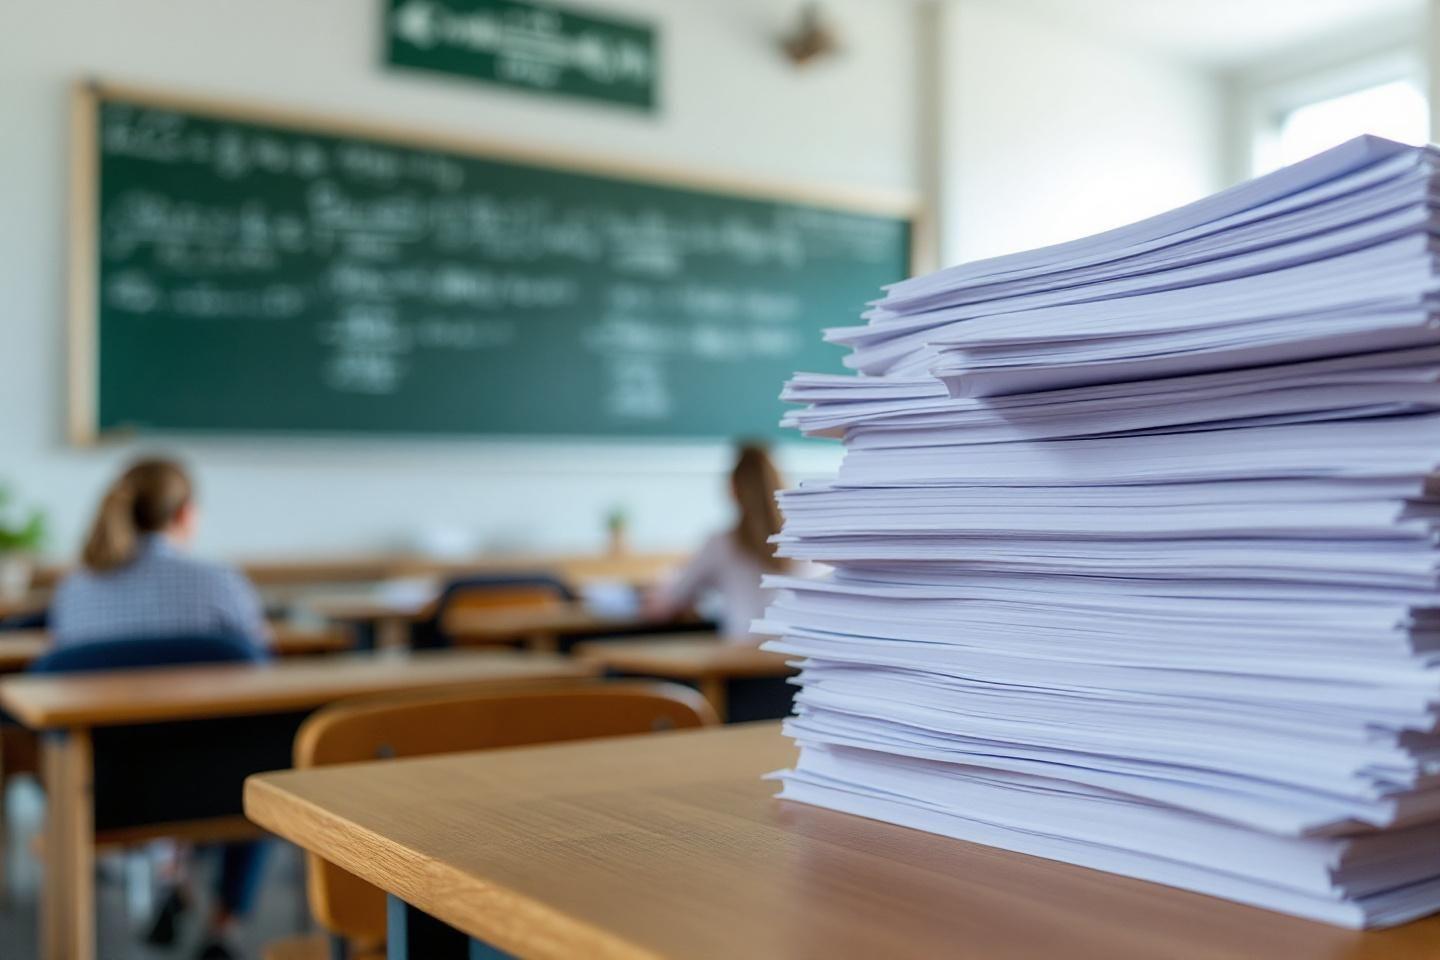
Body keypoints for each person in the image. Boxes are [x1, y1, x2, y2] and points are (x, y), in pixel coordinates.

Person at [50, 457, 267, 960]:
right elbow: (265, 668)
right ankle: (224, 921)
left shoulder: (76, 589)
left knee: (163, 742)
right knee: (255, 746)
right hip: (221, 788)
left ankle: (176, 879)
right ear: (186, 514)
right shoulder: (218, 581)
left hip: (103, 788)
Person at [648, 442, 793, 643]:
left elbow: (664, 607)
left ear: (733, 489)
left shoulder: (722, 543)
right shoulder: (801, 539)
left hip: (741, 663)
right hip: (794, 662)